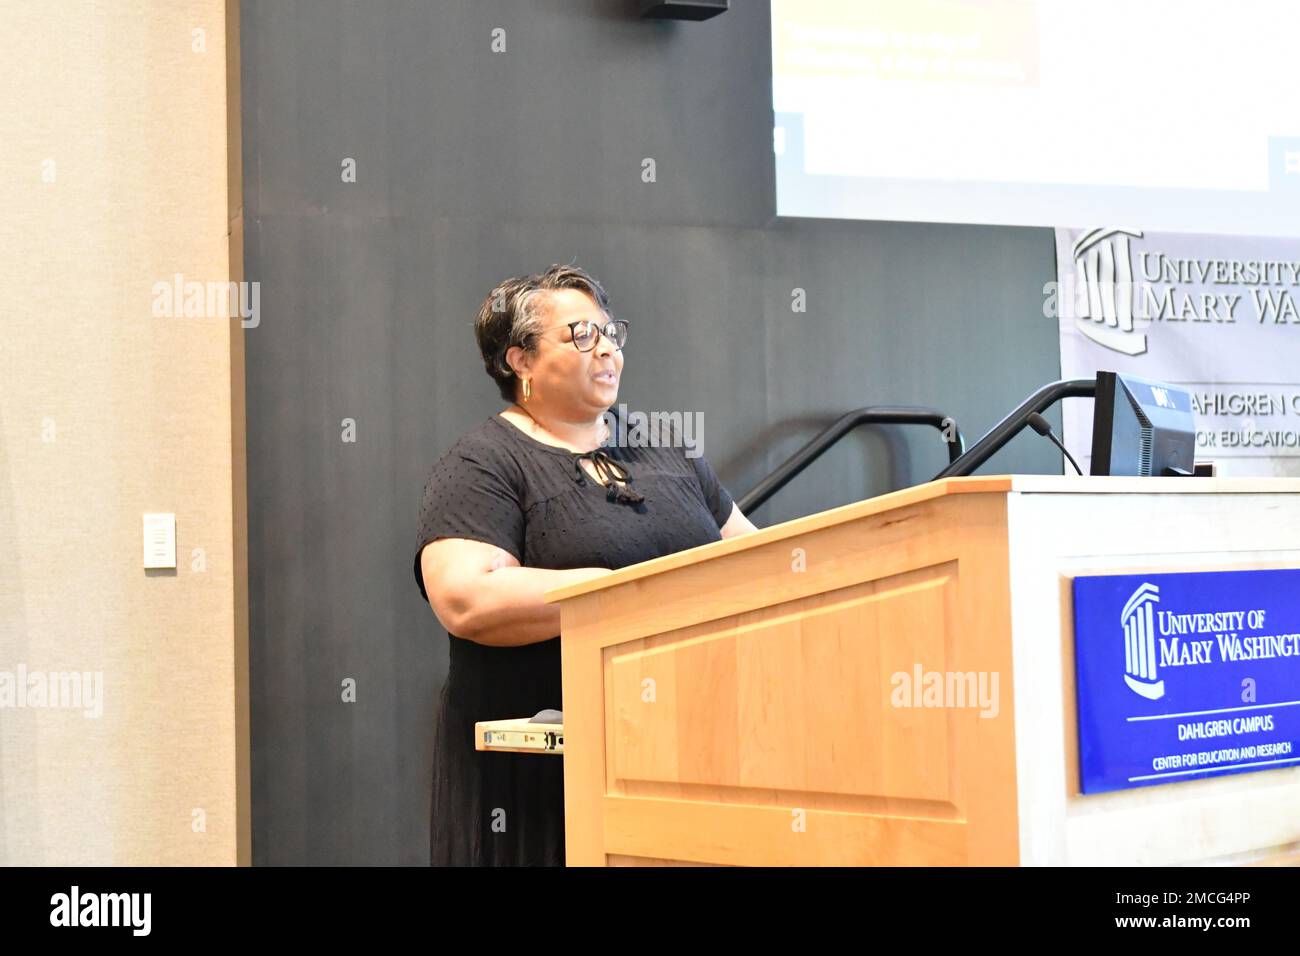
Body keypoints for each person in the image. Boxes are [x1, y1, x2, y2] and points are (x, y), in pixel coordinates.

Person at [413, 263, 758, 865]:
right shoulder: (483, 463)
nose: (606, 350)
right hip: (539, 779)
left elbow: (756, 564)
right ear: (520, 360)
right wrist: (616, 594)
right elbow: (467, 599)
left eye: (610, 332)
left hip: (688, 749)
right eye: (580, 335)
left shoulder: (668, 451)